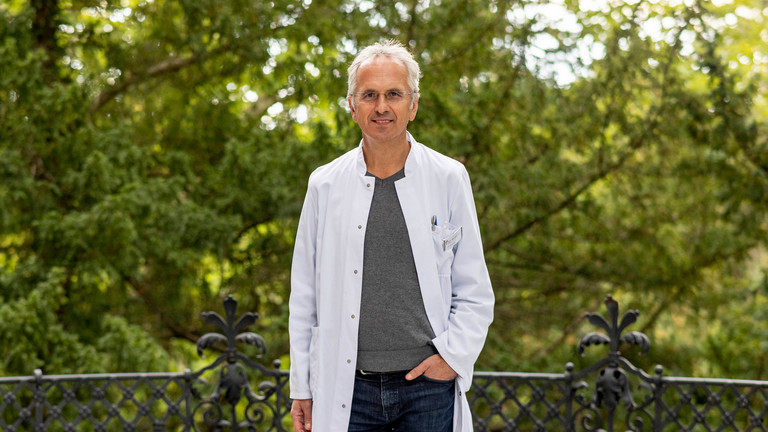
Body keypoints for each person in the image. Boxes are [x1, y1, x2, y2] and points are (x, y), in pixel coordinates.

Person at [288, 40, 494, 432]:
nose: (382, 106)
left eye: (394, 94)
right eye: (369, 95)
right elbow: (304, 298)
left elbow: (475, 291)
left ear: (412, 105)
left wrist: (451, 360)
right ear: (352, 106)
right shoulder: (324, 184)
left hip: (428, 389)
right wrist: (302, 385)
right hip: (348, 388)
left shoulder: (448, 177)